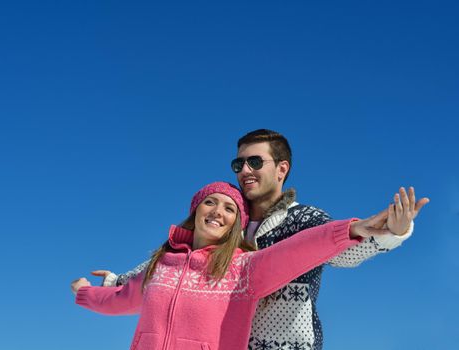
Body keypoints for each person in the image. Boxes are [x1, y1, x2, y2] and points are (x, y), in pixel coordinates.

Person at [94, 129, 430, 350]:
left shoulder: (303, 219)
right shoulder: (224, 224)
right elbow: (174, 266)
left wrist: (393, 233)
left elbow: (341, 252)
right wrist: (114, 281)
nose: (244, 170)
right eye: (238, 163)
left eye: (255, 161)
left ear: (282, 169)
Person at [72, 181, 417, 350]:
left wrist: (352, 228)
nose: (217, 212)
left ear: (236, 224)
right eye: (210, 202)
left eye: (229, 209)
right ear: (196, 211)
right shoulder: (162, 265)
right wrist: (85, 293)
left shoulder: (245, 270)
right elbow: (121, 298)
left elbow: (301, 249)